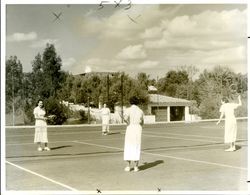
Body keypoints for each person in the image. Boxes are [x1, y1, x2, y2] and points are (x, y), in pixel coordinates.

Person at [123, 96, 144, 172]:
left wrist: (128, 123)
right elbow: (142, 122)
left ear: (130, 102)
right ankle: (136, 167)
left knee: (128, 146)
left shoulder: (128, 110)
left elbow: (125, 118)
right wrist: (139, 126)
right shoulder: (140, 111)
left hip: (130, 127)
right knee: (136, 146)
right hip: (138, 128)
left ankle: (128, 166)